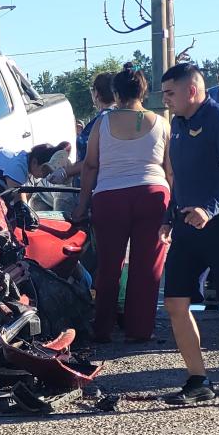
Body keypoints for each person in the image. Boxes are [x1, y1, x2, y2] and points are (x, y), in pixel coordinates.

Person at [158, 63, 219, 406]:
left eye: (170, 93)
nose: (166, 100)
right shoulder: (177, 125)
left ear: (191, 90)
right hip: (186, 225)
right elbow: (177, 177)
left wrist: (210, 208)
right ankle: (198, 379)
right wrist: (168, 217)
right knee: (176, 303)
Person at [73, 62, 171, 343]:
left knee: (109, 265)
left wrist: (82, 204)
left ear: (116, 94)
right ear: (143, 92)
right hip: (152, 194)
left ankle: (102, 328)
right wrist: (171, 210)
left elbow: (90, 166)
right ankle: (140, 329)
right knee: (147, 266)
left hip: (110, 197)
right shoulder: (161, 123)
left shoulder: (102, 123)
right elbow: (170, 169)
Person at [0, 142, 66, 189]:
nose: (45, 175)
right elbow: (19, 201)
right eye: (45, 170)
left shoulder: (27, 163)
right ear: (35, 162)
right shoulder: (18, 166)